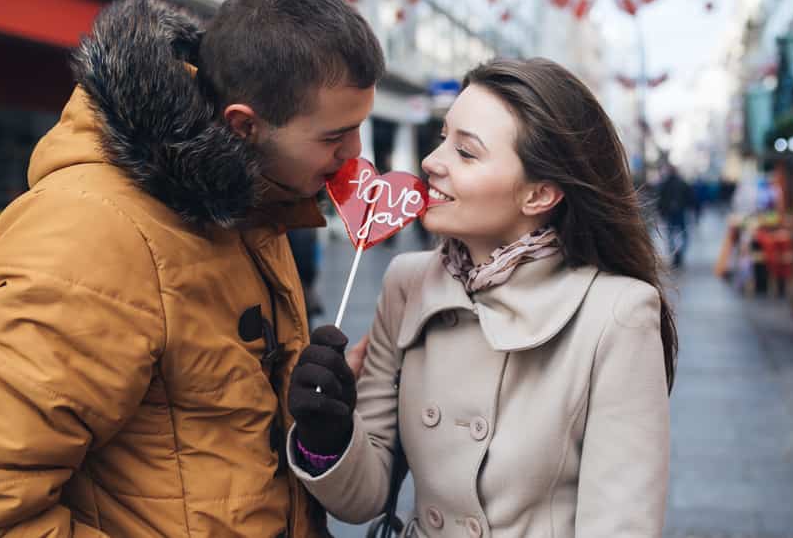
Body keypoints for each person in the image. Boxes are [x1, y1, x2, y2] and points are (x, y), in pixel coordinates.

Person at [0, 0, 381, 537]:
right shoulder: (90, 235)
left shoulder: (256, 203)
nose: (354, 153)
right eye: (334, 136)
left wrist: (316, 430)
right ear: (243, 125)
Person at [288, 58, 677, 536]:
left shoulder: (617, 314)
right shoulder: (406, 283)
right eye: (442, 138)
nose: (431, 162)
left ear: (539, 195)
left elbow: (620, 524)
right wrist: (328, 435)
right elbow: (365, 497)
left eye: (466, 152)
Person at [656, 163, 696, 268]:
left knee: (671, 234)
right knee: (683, 234)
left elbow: (660, 199)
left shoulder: (665, 184)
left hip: (670, 213)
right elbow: (690, 197)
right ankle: (679, 253)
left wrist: (661, 212)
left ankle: (675, 254)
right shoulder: (682, 183)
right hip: (680, 212)